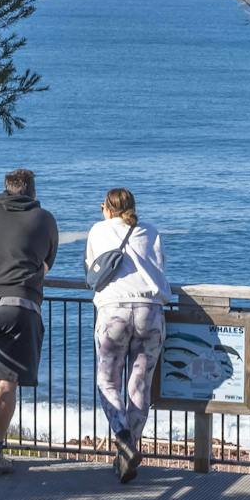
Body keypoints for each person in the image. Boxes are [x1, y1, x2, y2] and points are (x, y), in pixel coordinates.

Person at [0, 168, 58, 478]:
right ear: (32, 190)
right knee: (5, 382)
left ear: (6, 189)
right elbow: (45, 264)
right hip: (17, 305)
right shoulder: (44, 219)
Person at [84, 187, 167, 484]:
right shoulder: (151, 231)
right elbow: (159, 267)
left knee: (107, 382)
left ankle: (123, 438)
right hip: (150, 310)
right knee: (139, 385)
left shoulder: (98, 230)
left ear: (107, 208)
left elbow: (91, 271)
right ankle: (127, 453)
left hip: (113, 311)